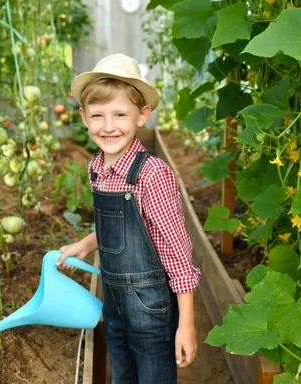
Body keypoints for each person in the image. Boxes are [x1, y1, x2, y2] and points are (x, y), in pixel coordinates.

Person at [56, 53, 202, 383]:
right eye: (98, 115)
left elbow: (177, 254)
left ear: (142, 115)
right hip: (114, 300)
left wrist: (187, 324)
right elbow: (122, 227)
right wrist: (86, 243)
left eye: (120, 114)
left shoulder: (152, 175)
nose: (108, 126)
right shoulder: (97, 167)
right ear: (83, 117)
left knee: (153, 374)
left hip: (151, 306)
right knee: (122, 372)